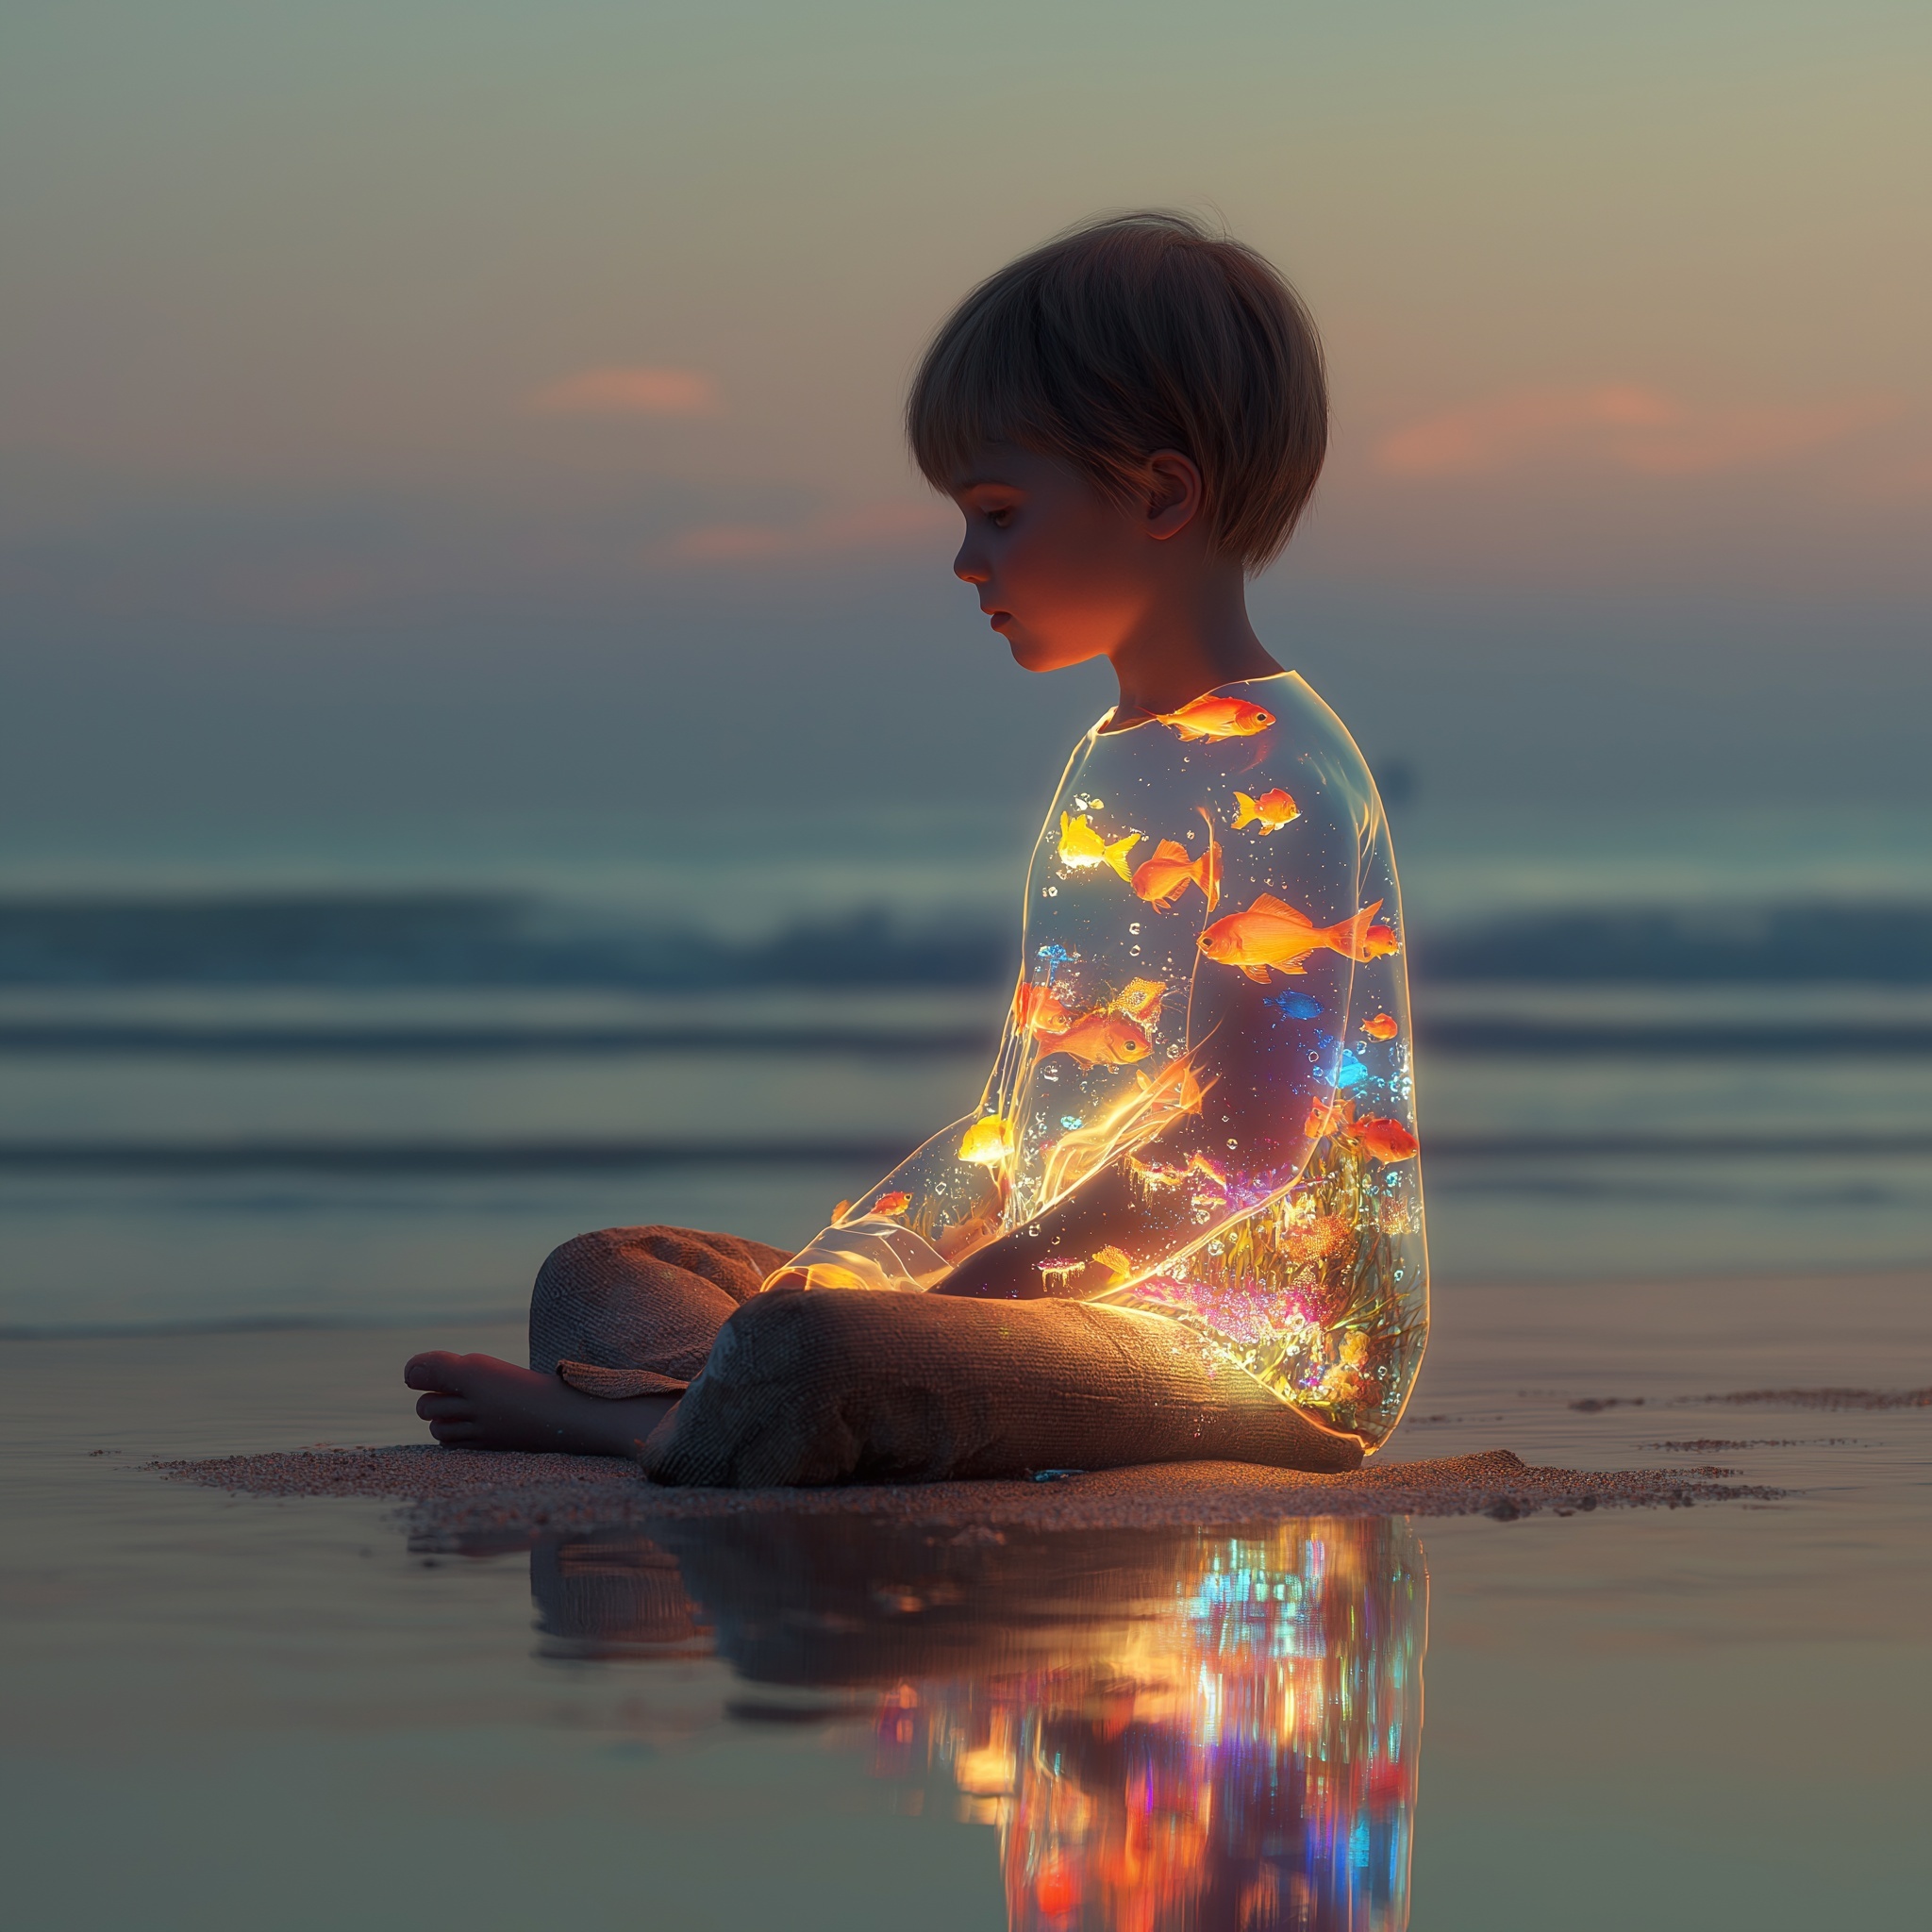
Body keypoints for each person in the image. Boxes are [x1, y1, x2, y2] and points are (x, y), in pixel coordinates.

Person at [407, 211, 1427, 1485]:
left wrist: (943, 1314)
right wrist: (859, 1272)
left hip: (1258, 1361)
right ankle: (731, 1395)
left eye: (997, 512)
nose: (964, 560)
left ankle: (652, 1420)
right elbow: (1013, 1122)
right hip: (1038, 1304)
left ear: (1161, 496)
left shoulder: (1281, 765)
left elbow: (1248, 1142)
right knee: (608, 1272)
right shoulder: (1110, 761)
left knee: (821, 1354)